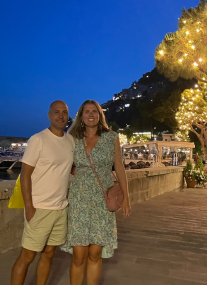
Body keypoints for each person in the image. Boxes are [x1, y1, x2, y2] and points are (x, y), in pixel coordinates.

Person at [60, 100, 131, 285]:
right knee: (79, 254)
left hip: (102, 197)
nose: (90, 114)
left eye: (94, 111)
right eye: (86, 112)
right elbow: (63, 164)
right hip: (79, 199)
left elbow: (119, 166)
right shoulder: (73, 139)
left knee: (94, 253)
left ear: (100, 115)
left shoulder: (111, 137)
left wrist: (127, 197)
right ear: (81, 117)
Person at [11, 101, 75, 285]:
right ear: (49, 115)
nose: (61, 116)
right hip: (39, 208)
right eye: (57, 112)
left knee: (49, 254)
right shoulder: (38, 139)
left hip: (60, 208)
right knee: (27, 256)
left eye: (64, 112)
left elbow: (70, 169)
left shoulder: (70, 141)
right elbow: (25, 174)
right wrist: (29, 206)